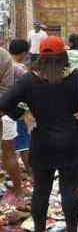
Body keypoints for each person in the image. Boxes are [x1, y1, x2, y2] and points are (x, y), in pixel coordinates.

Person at [0, 36, 78, 232]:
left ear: (40, 58)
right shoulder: (77, 77)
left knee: (41, 191)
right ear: (64, 56)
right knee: (69, 190)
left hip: (42, 142)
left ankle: (40, 229)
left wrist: (23, 114)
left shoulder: (29, 80)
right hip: (71, 142)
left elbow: (4, 102)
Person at [0, 48, 26, 207]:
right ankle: (19, 191)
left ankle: (19, 190)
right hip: (4, 109)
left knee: (8, 151)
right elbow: (6, 89)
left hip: (3, 110)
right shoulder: (3, 55)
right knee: (8, 151)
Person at [8, 39, 32, 175]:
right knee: (24, 144)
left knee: (8, 144)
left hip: (5, 109)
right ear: (23, 53)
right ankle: (30, 173)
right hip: (18, 110)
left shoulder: (4, 64)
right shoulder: (20, 69)